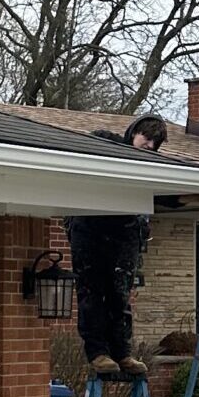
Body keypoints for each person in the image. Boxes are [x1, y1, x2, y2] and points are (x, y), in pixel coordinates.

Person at [64, 113, 169, 380]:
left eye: (154, 144)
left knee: (119, 295)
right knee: (91, 293)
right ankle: (98, 352)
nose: (149, 147)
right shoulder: (107, 145)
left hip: (123, 235)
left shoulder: (150, 166)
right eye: (146, 139)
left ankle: (122, 352)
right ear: (134, 133)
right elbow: (89, 145)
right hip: (90, 230)